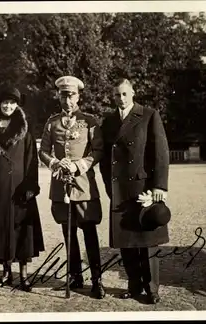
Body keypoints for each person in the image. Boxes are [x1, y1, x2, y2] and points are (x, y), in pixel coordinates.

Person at [99, 78, 170, 304]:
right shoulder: (108, 121)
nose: (121, 99)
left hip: (144, 189)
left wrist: (159, 186)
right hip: (119, 189)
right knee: (126, 241)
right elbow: (104, 160)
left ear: (133, 93)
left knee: (147, 240)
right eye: (117, 95)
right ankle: (133, 284)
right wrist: (109, 186)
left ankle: (152, 289)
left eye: (124, 94)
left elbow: (160, 153)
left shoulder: (149, 115)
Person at [0, 87, 45, 293]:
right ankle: (5, 272)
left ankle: (24, 275)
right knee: (1, 229)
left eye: (12, 103)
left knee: (21, 230)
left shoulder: (24, 129)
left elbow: (32, 160)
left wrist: (31, 186)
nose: (8, 106)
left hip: (19, 189)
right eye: (5, 102)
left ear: (17, 105)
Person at [38, 76, 106, 299]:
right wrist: (55, 163)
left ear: (79, 96)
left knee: (89, 231)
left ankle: (97, 279)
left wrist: (79, 165)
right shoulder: (52, 122)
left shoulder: (89, 121)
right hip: (61, 186)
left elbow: (98, 151)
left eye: (72, 95)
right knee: (69, 233)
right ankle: (76, 275)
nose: (68, 100)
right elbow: (44, 151)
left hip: (83, 184)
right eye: (64, 95)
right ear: (59, 96)